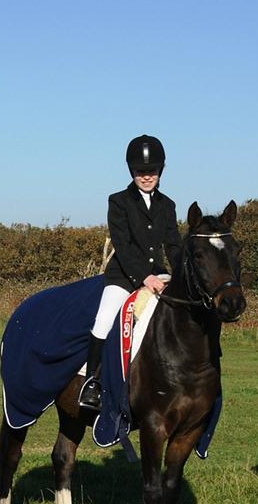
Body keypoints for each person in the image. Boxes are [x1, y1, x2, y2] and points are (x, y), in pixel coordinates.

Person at [78, 134, 182, 411]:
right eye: (140, 172)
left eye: (151, 171)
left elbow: (173, 244)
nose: (146, 177)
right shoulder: (119, 201)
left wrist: (182, 273)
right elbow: (122, 245)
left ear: (160, 171)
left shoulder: (167, 205)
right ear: (131, 172)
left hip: (158, 276)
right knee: (104, 318)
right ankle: (92, 382)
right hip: (124, 276)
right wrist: (143, 277)